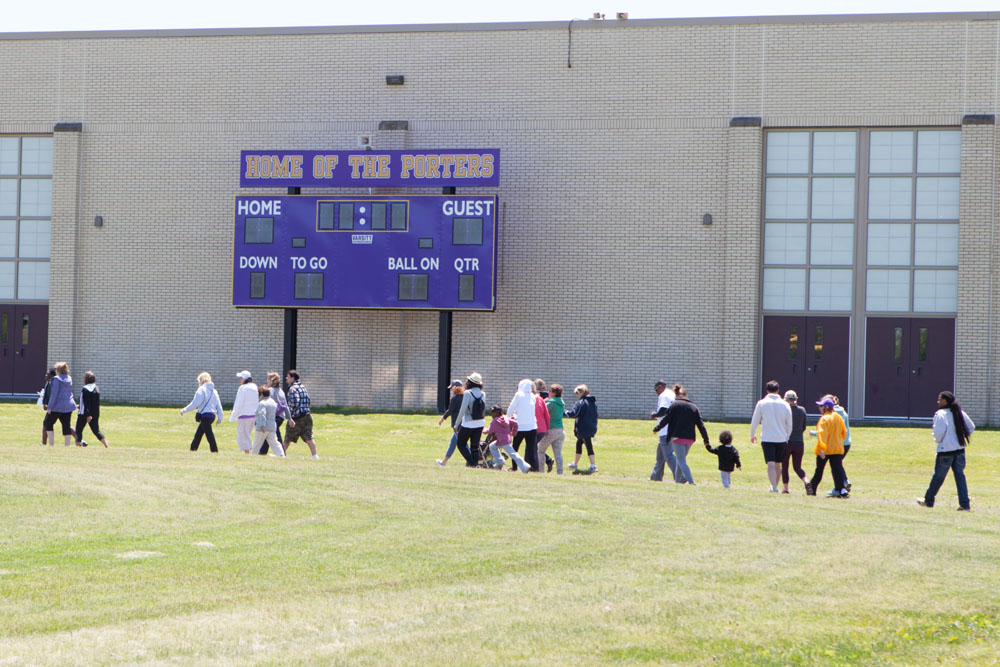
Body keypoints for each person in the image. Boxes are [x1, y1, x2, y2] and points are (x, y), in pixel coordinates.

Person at [918, 391, 975, 511]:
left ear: (945, 401)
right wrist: (960, 436)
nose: (938, 401)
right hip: (960, 450)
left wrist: (939, 440)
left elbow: (939, 432)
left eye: (939, 399)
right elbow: (971, 427)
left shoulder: (941, 414)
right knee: (960, 477)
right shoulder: (959, 412)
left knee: (938, 477)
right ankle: (965, 504)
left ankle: (928, 500)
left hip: (946, 452)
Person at [653, 384, 708, 484]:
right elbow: (701, 425)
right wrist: (706, 439)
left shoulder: (675, 405)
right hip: (690, 438)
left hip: (677, 437)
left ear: (676, 395)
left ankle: (691, 482)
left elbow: (666, 419)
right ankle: (677, 482)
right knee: (680, 460)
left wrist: (657, 428)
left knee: (681, 461)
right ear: (686, 395)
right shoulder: (694, 407)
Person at [750, 380, 793, 493]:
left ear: (767, 390)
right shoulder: (785, 404)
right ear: (778, 390)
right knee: (778, 464)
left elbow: (755, 420)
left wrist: (752, 434)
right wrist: (787, 436)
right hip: (781, 438)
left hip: (767, 437)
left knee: (770, 463)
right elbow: (789, 424)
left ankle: (773, 486)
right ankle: (775, 486)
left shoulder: (762, 403)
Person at [808, 396, 849, 498]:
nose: (819, 408)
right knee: (837, 470)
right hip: (837, 449)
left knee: (819, 470)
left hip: (825, 450)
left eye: (821, 406)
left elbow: (822, 435)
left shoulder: (824, 419)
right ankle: (842, 490)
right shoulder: (838, 417)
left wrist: (822, 449)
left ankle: (812, 489)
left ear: (826, 407)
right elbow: (844, 433)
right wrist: (838, 443)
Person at [180, 371, 223, 452]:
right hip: (212, 416)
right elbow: (218, 405)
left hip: (205, 416)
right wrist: (220, 417)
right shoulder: (214, 391)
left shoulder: (201, 389)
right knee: (199, 434)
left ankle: (214, 451)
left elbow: (195, 404)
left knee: (209, 435)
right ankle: (193, 449)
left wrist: (184, 410)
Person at [284, 369, 320, 459]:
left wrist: (289, 416)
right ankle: (315, 455)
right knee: (308, 436)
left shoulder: (292, 389)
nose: (286, 378)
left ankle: (281, 453)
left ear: (292, 378)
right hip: (307, 415)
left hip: (297, 417)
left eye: (288, 377)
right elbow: (308, 400)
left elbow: (294, 402)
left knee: (288, 436)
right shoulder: (303, 387)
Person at [483, 405, 530, 473]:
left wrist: (482, 430)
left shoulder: (495, 421)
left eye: (493, 412)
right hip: (505, 439)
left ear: (497, 413)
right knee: (492, 446)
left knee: (513, 454)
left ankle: (525, 467)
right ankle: (500, 462)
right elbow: (515, 423)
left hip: (503, 441)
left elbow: (489, 431)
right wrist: (513, 433)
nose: (491, 414)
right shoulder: (505, 418)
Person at [781, 390, 811, 494]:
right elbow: (804, 427)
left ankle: (786, 488)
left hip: (787, 442)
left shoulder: (785, 410)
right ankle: (806, 481)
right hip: (799, 442)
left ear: (787, 400)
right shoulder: (802, 410)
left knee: (785, 466)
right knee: (797, 467)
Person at [455, 372, 487, 466]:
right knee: (474, 446)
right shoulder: (483, 394)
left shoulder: (468, 393)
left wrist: (456, 424)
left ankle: (472, 463)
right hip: (480, 422)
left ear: (470, 382)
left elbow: (463, 410)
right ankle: (475, 464)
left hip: (468, 423)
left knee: (460, 444)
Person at [507, 378, 539, 471]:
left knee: (515, 448)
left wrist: (507, 418)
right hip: (532, 427)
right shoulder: (533, 396)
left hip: (520, 427)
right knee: (531, 450)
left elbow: (511, 407)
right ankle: (534, 468)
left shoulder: (518, 395)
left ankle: (514, 467)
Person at [565, 384, 598, 473]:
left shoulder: (581, 403)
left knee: (588, 446)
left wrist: (565, 412)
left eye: (577, 393)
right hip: (591, 426)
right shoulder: (593, 402)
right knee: (579, 444)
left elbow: (574, 414)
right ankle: (575, 464)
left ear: (581, 393)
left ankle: (593, 466)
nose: (577, 395)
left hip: (583, 428)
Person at [649, 380, 678, 482]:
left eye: (656, 390)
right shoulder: (671, 393)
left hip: (665, 430)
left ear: (660, 386)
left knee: (669, 456)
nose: (656, 392)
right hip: (669, 429)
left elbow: (663, 411)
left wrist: (654, 414)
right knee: (660, 457)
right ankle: (655, 477)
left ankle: (681, 476)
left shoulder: (664, 395)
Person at [44, 362, 76, 447]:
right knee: (66, 424)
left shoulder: (56, 379)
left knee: (48, 423)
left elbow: (54, 394)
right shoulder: (69, 378)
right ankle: (67, 445)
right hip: (68, 405)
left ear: (58, 370)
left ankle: (51, 444)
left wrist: (49, 407)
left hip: (57, 406)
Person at [74, 371, 109, 448]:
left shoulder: (85, 389)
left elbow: (86, 403)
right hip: (95, 413)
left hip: (84, 414)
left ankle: (77, 445)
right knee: (96, 431)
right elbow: (93, 403)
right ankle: (106, 445)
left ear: (86, 380)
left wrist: (87, 414)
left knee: (78, 430)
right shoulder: (96, 388)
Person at [257, 372, 288, 455]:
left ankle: (281, 453)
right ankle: (263, 452)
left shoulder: (270, 391)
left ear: (270, 380)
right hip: (281, 416)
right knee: (270, 434)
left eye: (267, 378)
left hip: (273, 416)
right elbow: (285, 405)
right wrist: (289, 418)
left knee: (274, 436)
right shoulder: (281, 391)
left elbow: (265, 402)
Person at [538, 383, 566, 474]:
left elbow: (542, 410)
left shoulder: (551, 403)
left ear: (554, 393)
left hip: (551, 430)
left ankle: (541, 471)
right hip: (560, 430)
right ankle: (560, 472)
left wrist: (544, 401)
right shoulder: (561, 402)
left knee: (540, 451)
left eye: (550, 391)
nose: (548, 392)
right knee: (558, 453)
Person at [436, 379, 465, 466]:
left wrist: (442, 418)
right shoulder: (465, 398)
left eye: (452, 388)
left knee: (462, 445)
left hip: (458, 426)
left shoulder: (455, 399)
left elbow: (450, 411)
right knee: (453, 443)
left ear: (455, 388)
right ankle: (444, 462)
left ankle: (472, 461)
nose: (451, 390)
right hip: (464, 424)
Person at [251, 386, 286, 456]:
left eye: (259, 394)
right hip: (272, 426)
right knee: (275, 443)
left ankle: (253, 455)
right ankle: (281, 455)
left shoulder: (262, 403)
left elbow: (262, 414)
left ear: (262, 394)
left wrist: (261, 425)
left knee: (257, 443)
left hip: (262, 427)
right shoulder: (273, 402)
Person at [229, 370, 258, 454]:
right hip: (253, 415)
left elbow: (239, 403)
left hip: (243, 415)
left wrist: (234, 415)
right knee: (247, 435)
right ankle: (249, 451)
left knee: (242, 435)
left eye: (241, 378)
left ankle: (248, 453)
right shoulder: (254, 387)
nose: (240, 380)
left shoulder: (242, 388)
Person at [831, 395, 852, 493]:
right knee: (838, 463)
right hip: (847, 442)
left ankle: (842, 486)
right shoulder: (844, 412)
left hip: (839, 443)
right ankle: (845, 481)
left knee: (836, 465)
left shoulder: (832, 413)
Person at [532, 380, 554, 472]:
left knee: (533, 447)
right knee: (535, 446)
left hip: (538, 424)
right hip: (545, 424)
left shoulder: (536, 397)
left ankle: (546, 461)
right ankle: (547, 460)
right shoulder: (548, 397)